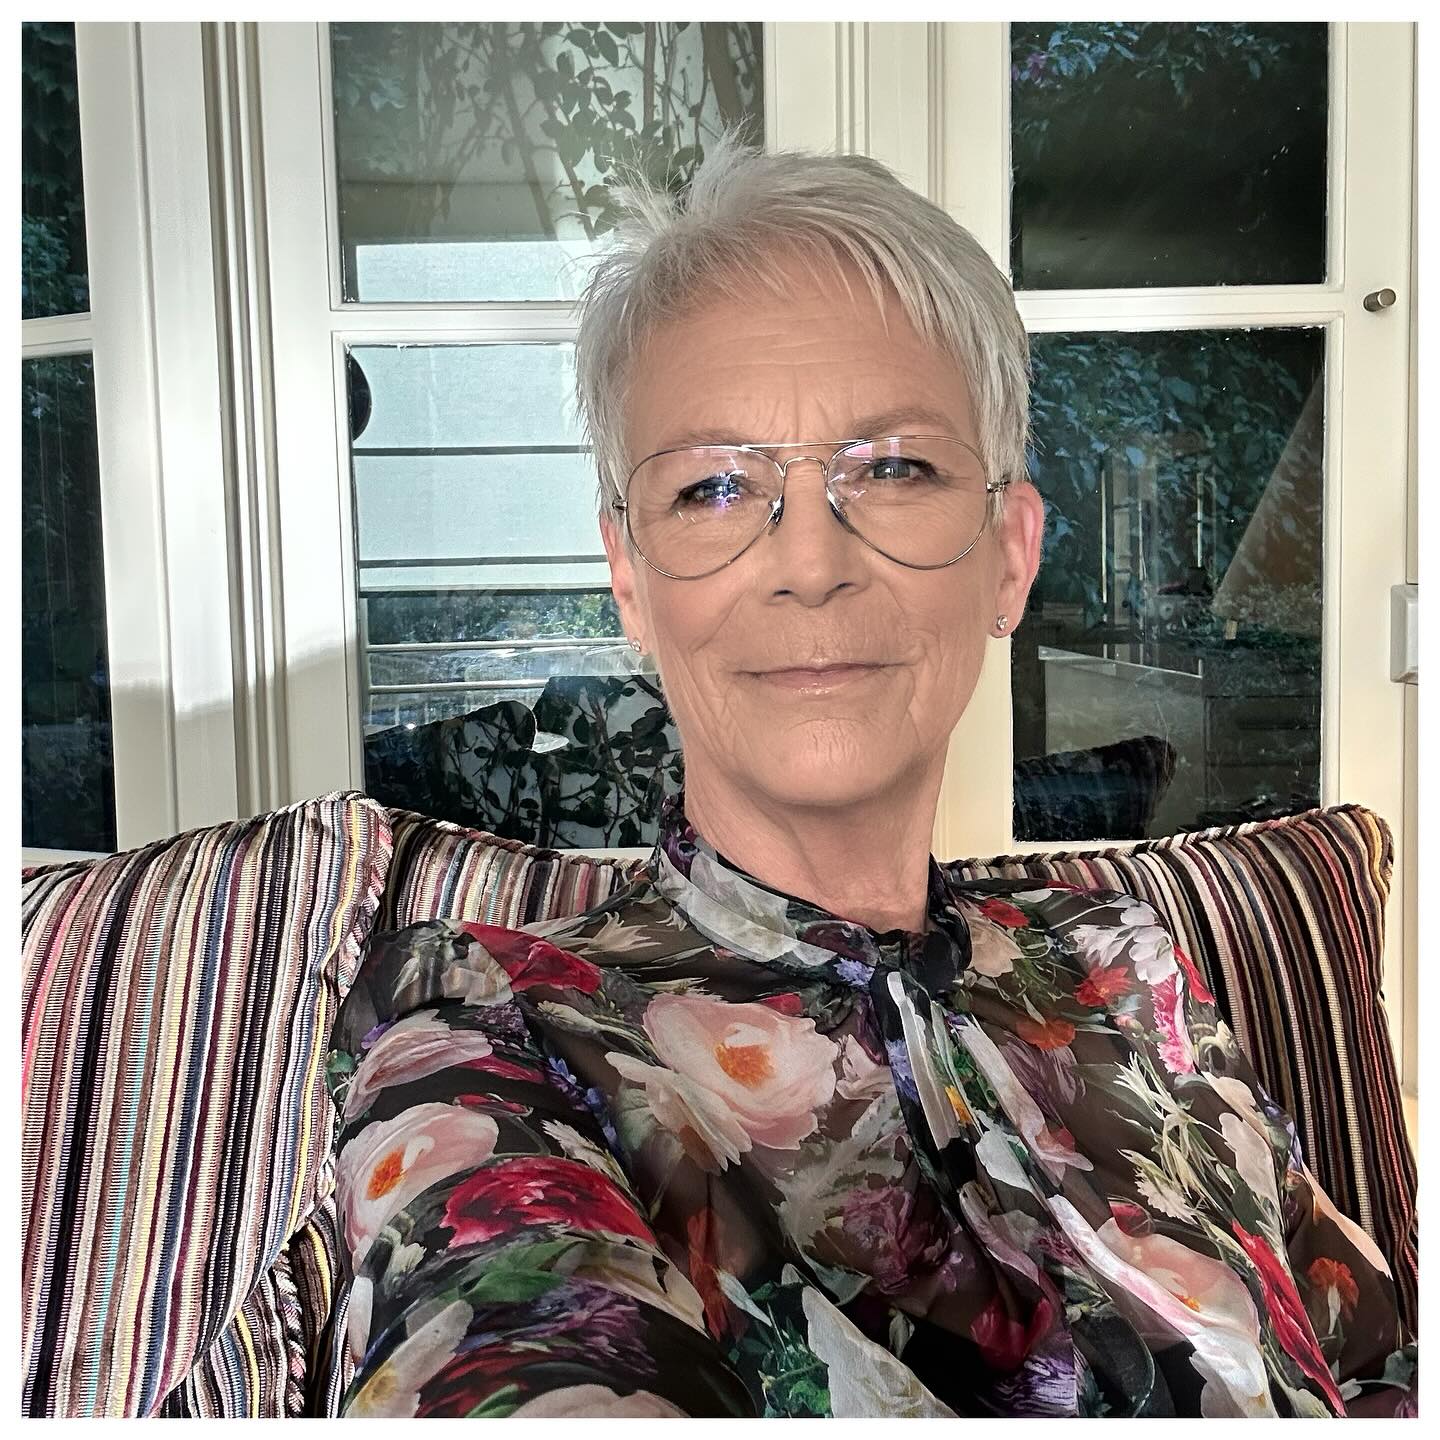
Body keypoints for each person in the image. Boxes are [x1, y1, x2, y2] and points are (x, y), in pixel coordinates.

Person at [326, 136, 1416, 1417]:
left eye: (893, 468)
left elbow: (1376, 1363)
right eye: (714, 487)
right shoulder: (488, 1023)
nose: (808, 564)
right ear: (629, 578)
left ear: (1010, 556)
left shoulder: (1124, 965)